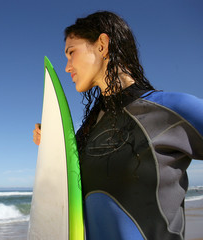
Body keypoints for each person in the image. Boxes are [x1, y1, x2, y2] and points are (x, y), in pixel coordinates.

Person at [33, 11, 203, 240]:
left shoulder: (170, 110)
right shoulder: (89, 131)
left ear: (102, 45)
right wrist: (52, 148)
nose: (67, 67)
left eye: (71, 52)